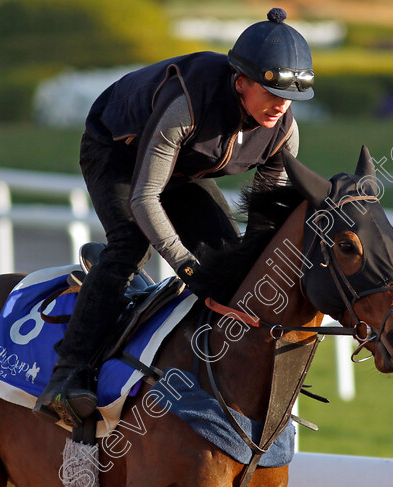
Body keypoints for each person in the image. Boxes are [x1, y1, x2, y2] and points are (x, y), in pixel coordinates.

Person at [33, 7, 315, 426]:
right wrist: (183, 264)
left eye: (289, 99)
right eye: (272, 94)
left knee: (228, 256)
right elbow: (145, 197)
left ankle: (207, 365)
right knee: (132, 244)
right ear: (240, 82)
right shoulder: (186, 105)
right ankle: (66, 374)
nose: (280, 107)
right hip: (117, 155)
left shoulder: (283, 132)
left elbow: (261, 229)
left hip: (184, 170)